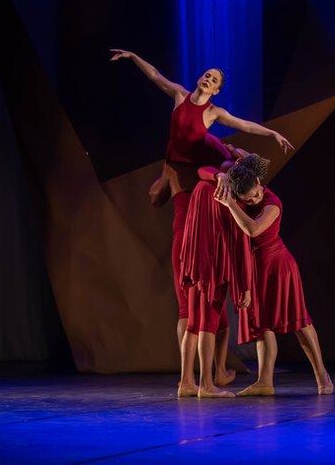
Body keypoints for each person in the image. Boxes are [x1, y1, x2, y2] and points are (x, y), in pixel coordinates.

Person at [110, 49, 293, 398]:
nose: (208, 79)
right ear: (199, 79)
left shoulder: (214, 112)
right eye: (206, 75)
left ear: (218, 89)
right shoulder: (180, 96)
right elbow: (155, 75)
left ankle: (205, 378)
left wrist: (271, 134)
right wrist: (134, 56)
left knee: (227, 161)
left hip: (198, 163)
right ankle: (200, 380)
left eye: (214, 79)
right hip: (178, 163)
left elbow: (244, 124)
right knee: (161, 192)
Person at [212, 153, 333, 396]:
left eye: (256, 193)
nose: (256, 199)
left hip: (278, 266)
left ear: (259, 181)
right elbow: (218, 168)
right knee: (262, 325)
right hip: (255, 269)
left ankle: (322, 375)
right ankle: (264, 381)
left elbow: (254, 230)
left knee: (299, 321)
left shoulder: (272, 202)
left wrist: (231, 204)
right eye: (249, 198)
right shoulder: (242, 194)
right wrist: (222, 176)